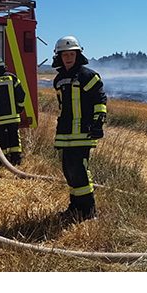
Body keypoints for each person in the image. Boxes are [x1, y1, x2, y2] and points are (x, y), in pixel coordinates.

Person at [51, 35, 106, 221]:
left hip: (83, 132)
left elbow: (100, 100)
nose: (68, 57)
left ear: (78, 54)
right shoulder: (58, 79)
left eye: (71, 54)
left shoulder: (87, 76)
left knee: (80, 171)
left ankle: (89, 211)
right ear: (59, 56)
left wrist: (98, 122)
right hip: (65, 133)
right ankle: (75, 208)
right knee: (69, 171)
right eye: (64, 54)